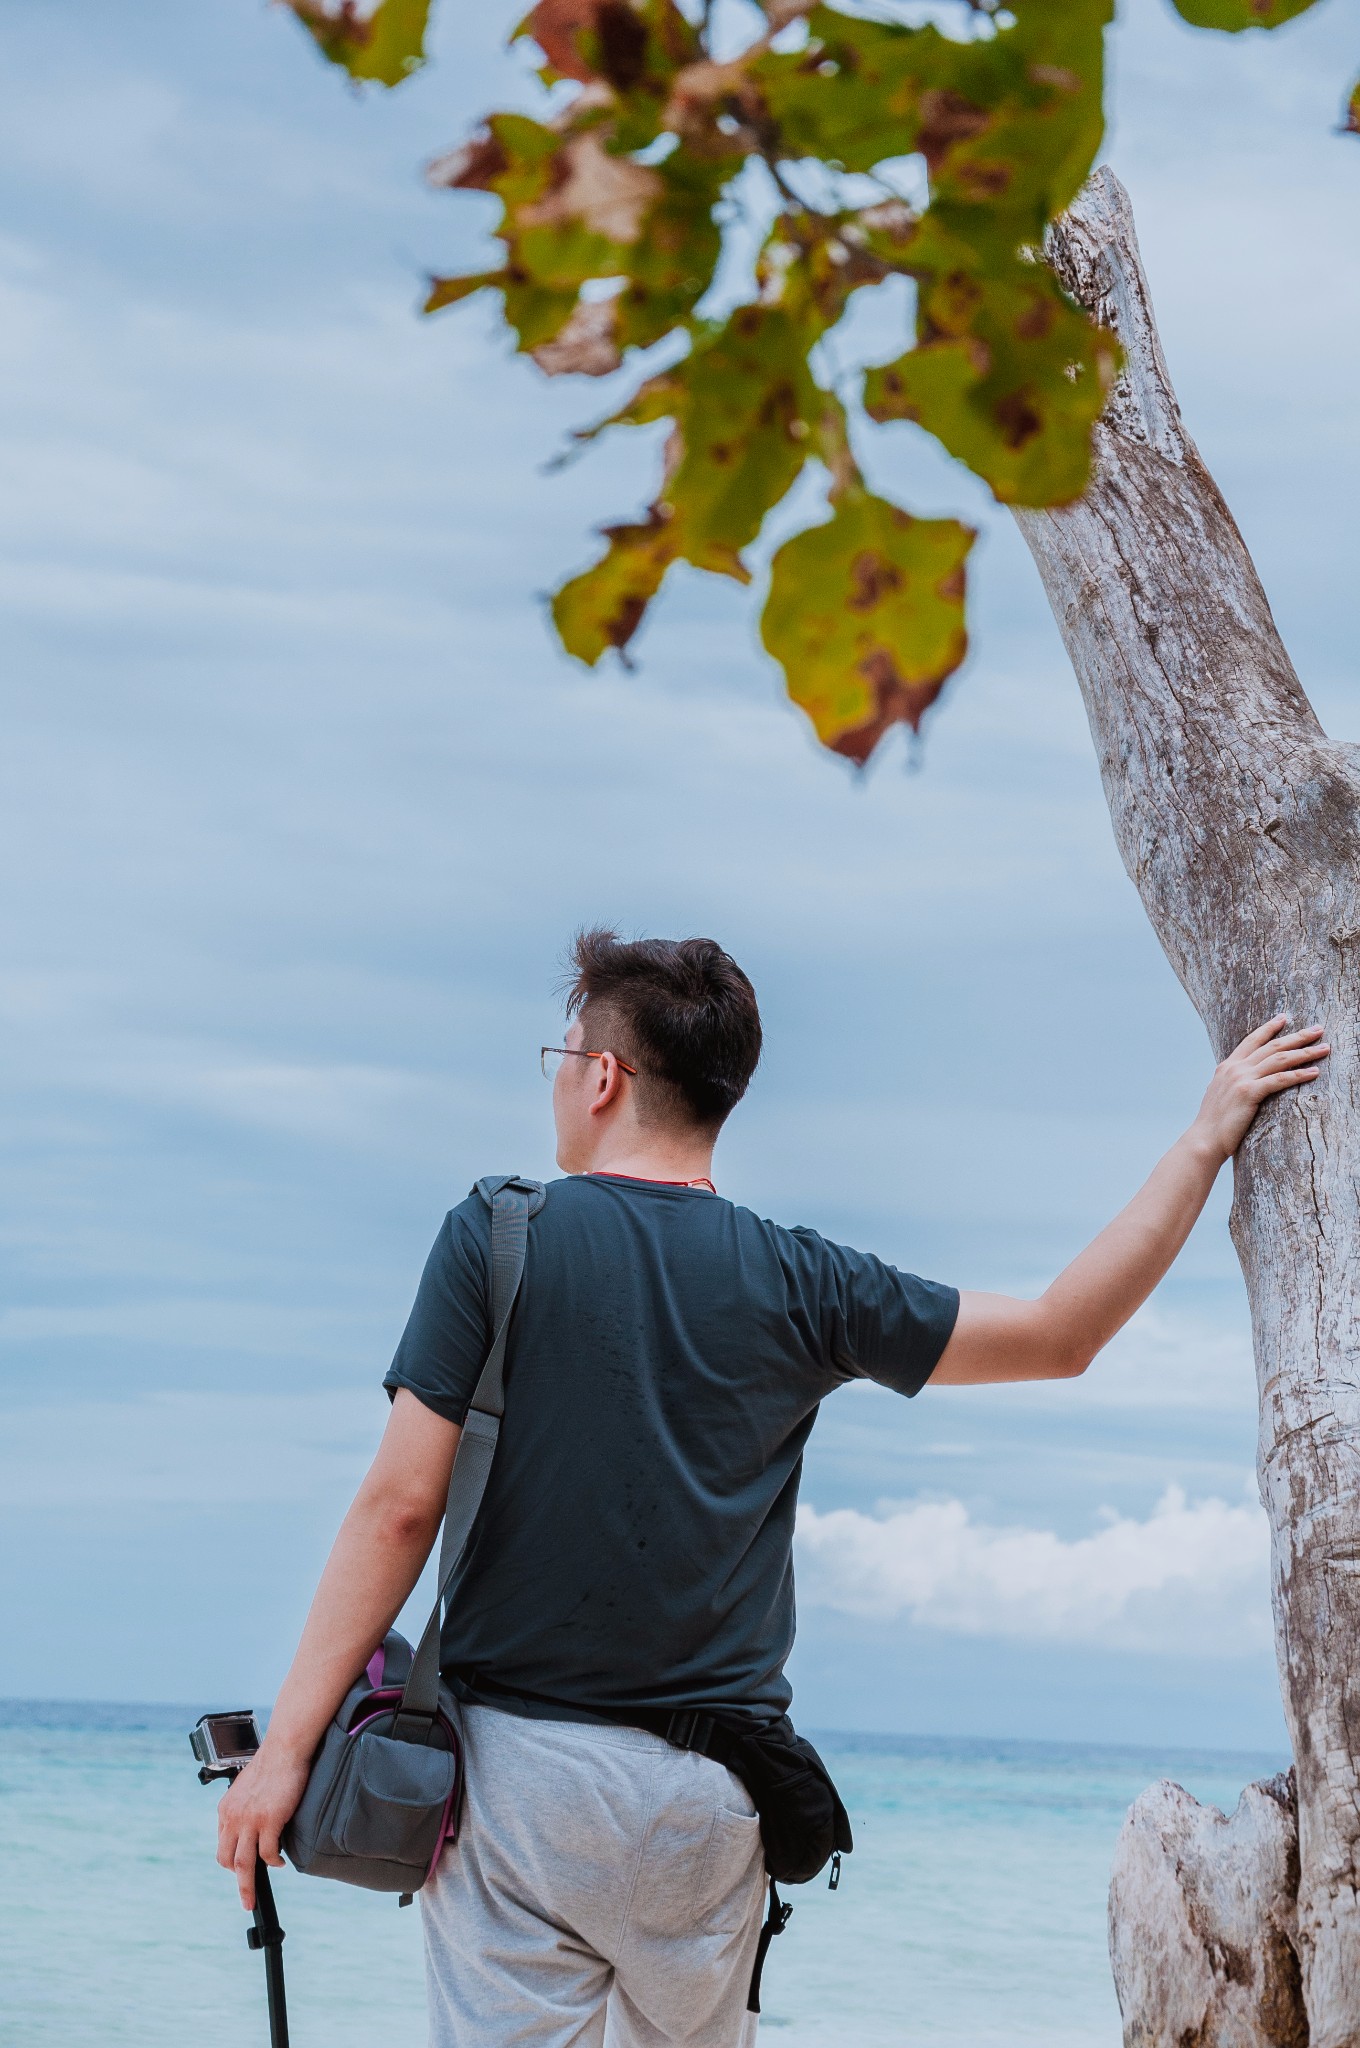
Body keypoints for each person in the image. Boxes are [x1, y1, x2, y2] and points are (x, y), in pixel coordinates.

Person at [216, 929, 1328, 2047]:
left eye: (562, 1050)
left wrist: (286, 1753)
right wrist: (1204, 1133)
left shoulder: (497, 1238)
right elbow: (1060, 1333)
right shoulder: (804, 1279)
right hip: (711, 1796)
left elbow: (398, 1508)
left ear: (604, 1073)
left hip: (522, 1782)